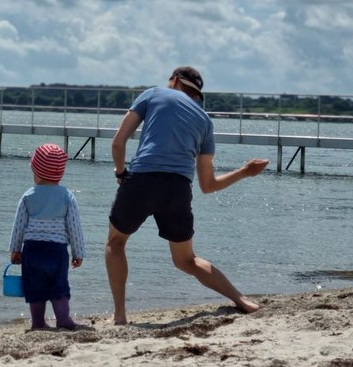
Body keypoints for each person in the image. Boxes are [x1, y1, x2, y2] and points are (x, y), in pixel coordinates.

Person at [105, 66, 268, 323]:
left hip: (142, 179)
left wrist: (120, 173)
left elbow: (118, 142)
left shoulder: (153, 94)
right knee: (186, 260)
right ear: (195, 94)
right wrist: (245, 171)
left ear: (174, 80)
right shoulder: (204, 121)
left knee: (116, 243)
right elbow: (208, 185)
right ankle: (241, 300)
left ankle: (120, 315)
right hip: (178, 187)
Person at [9, 143, 86, 330]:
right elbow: (74, 227)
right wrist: (78, 252)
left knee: (35, 288)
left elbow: (18, 226)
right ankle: (63, 320)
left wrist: (15, 250)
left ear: (36, 171)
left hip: (32, 250)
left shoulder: (28, 196)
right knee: (59, 287)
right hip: (57, 251)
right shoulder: (67, 196)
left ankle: (38, 322)